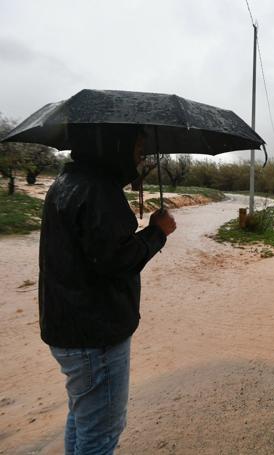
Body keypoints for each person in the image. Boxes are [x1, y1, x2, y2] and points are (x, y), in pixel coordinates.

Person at [39, 125, 176, 454]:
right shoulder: (98, 190)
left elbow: (100, 252)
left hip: (71, 329)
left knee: (83, 419)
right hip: (95, 337)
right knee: (100, 434)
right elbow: (117, 260)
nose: (141, 157)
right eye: (137, 148)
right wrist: (157, 232)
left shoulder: (68, 182)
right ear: (114, 145)